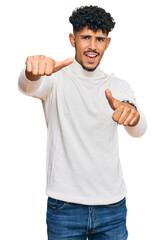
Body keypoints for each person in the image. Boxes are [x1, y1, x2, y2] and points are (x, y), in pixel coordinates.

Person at [18, 5, 147, 240]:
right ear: (72, 39)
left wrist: (133, 115)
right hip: (64, 208)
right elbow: (28, 87)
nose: (92, 46)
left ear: (107, 43)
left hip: (112, 209)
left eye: (99, 39)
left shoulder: (118, 85)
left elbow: (138, 129)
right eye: (85, 37)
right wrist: (32, 72)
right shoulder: (55, 78)